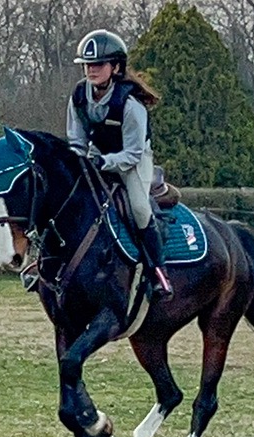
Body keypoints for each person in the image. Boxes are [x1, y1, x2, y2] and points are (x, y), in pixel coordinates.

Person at [66, 29, 174, 299]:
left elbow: (133, 153)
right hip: (98, 156)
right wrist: (77, 162)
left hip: (133, 161)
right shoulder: (80, 96)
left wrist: (103, 161)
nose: (91, 70)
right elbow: (76, 139)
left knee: (138, 208)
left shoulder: (129, 103)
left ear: (115, 67)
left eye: (98, 65)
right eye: (87, 65)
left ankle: (158, 273)